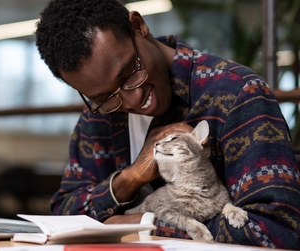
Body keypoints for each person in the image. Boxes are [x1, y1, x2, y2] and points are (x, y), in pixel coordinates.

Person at [34, 0, 300, 249]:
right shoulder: (100, 112)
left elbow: (277, 232)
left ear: (138, 26)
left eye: (130, 73)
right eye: (106, 96)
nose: (133, 98)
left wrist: (141, 224)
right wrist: (130, 178)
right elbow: (64, 213)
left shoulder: (237, 93)